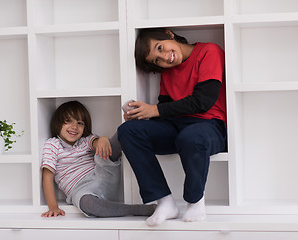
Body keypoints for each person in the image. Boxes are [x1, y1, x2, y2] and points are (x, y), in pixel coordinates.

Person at [118, 28, 227, 226]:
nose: (164, 58)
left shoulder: (208, 52)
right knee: (128, 130)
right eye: (156, 60)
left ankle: (195, 200)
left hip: (209, 126)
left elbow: (203, 101)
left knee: (191, 137)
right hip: (177, 127)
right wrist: (140, 114)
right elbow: (164, 115)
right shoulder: (167, 73)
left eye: (160, 48)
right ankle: (165, 201)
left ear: (169, 35)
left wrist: (153, 110)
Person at [41, 100, 156, 218]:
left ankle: (133, 125)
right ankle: (140, 210)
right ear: (57, 123)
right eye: (69, 121)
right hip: (81, 190)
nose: (74, 127)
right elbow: (47, 176)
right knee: (88, 205)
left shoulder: (85, 140)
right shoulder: (53, 144)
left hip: (102, 175)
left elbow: (96, 143)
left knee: (107, 146)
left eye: (80, 123)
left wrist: (102, 139)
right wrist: (53, 206)